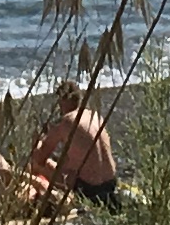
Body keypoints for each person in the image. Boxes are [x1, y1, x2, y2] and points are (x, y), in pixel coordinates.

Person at [27, 80, 120, 211]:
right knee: (66, 162)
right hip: (110, 183)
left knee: (38, 164)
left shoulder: (65, 122)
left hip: (89, 189)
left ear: (62, 101)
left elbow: (39, 158)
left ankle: (33, 193)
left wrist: (37, 139)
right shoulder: (94, 115)